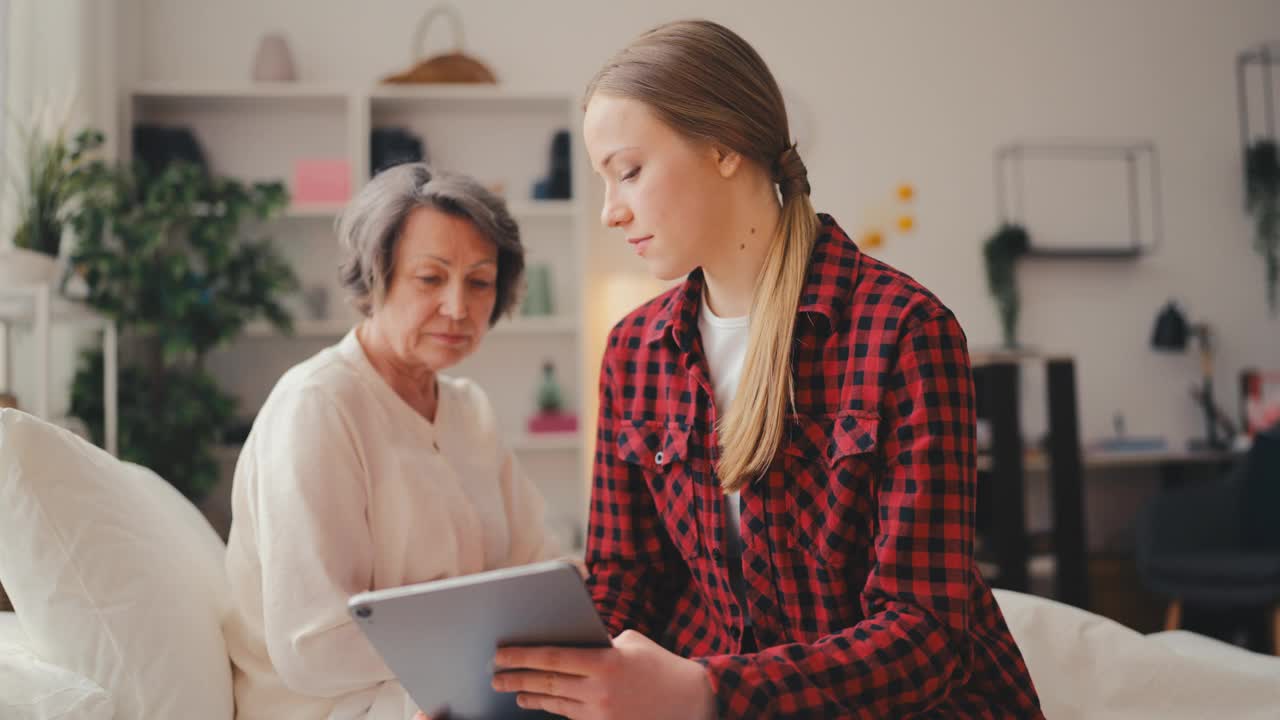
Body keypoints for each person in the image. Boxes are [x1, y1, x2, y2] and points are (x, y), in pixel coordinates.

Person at [469, 19, 1046, 719]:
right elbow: (627, 583)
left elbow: (924, 638)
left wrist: (709, 692)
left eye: (628, 171)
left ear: (723, 148)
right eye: (603, 182)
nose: (611, 212)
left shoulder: (905, 333)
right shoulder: (634, 353)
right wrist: (509, 693)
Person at [224, 163, 563, 720]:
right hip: (336, 707)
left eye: (479, 282)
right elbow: (314, 646)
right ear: (375, 276)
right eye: (430, 278)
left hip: (463, 689)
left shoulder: (469, 410)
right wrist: (479, 652)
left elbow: (537, 568)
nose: (458, 308)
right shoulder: (317, 406)